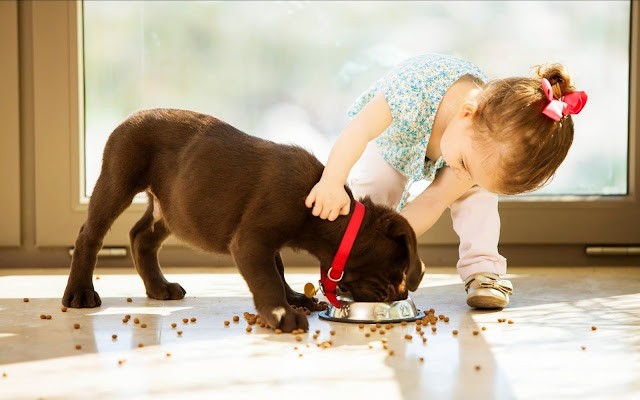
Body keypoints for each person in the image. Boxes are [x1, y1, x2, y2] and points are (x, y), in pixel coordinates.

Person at [304, 53, 587, 309]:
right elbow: (360, 129)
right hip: (396, 139)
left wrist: (399, 246)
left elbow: (434, 199)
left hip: (464, 145)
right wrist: (332, 180)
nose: (465, 177)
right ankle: (363, 265)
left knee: (478, 199)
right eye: (466, 166)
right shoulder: (412, 92)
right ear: (466, 114)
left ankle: (483, 269)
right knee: (376, 186)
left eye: (475, 175)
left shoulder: (478, 148)